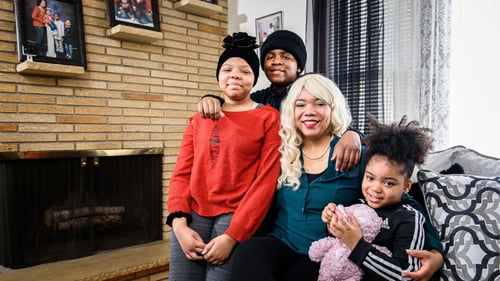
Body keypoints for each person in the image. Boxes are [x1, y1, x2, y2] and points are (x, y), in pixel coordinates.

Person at [166, 32, 282, 281]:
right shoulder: (198, 119)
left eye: (245, 71)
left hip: (236, 214)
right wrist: (179, 224)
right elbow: (181, 173)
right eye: (227, 69)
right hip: (193, 211)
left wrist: (233, 237)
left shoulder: (269, 117)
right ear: (218, 77)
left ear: (254, 79)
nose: (235, 75)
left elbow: (266, 182)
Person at [230, 73, 366, 281]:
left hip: (327, 251)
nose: (309, 112)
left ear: (333, 108)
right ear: (291, 112)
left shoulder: (354, 152)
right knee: (248, 253)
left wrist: (435, 252)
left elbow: (401, 196)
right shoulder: (282, 150)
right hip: (283, 241)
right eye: (300, 105)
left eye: (320, 103)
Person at [198, 30, 361, 172]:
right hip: (271, 172)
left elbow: (337, 121)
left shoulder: (312, 91)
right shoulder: (259, 99)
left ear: (298, 66)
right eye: (270, 57)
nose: (277, 61)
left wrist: (353, 134)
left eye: (286, 57)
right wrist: (212, 99)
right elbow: (236, 106)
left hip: (307, 169)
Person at [322, 114, 433, 280]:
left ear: (406, 186)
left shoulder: (409, 218)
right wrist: (332, 224)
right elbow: (338, 243)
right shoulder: (359, 203)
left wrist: (357, 244)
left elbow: (407, 276)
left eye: (388, 183)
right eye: (370, 178)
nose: (375, 189)